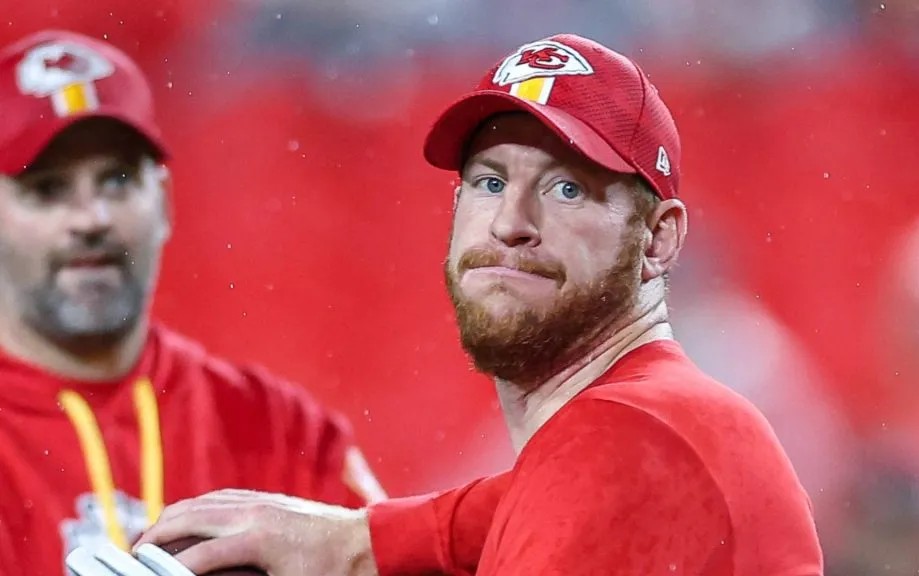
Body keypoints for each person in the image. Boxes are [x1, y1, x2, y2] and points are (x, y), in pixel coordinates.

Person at [90, 33, 825, 575]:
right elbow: (470, 521)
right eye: (489, 181)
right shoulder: (633, 439)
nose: (512, 221)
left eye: (567, 187)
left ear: (659, 242)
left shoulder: (630, 441)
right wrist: (343, 544)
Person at [0, 29, 386, 575]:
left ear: (164, 202)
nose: (92, 220)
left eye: (116, 179)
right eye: (47, 189)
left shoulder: (280, 431)